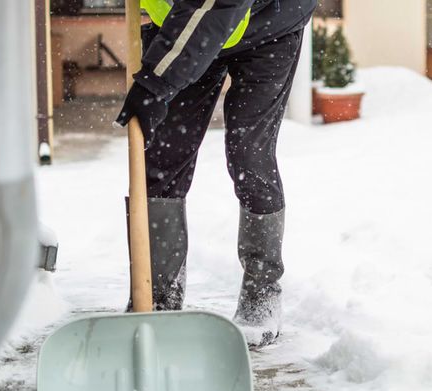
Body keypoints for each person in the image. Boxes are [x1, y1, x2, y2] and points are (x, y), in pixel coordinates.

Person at [115, 0, 316, 347]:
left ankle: (261, 290)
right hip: (185, 23)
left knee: (249, 155)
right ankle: (157, 293)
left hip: (270, 23)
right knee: (164, 157)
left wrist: (154, 84)